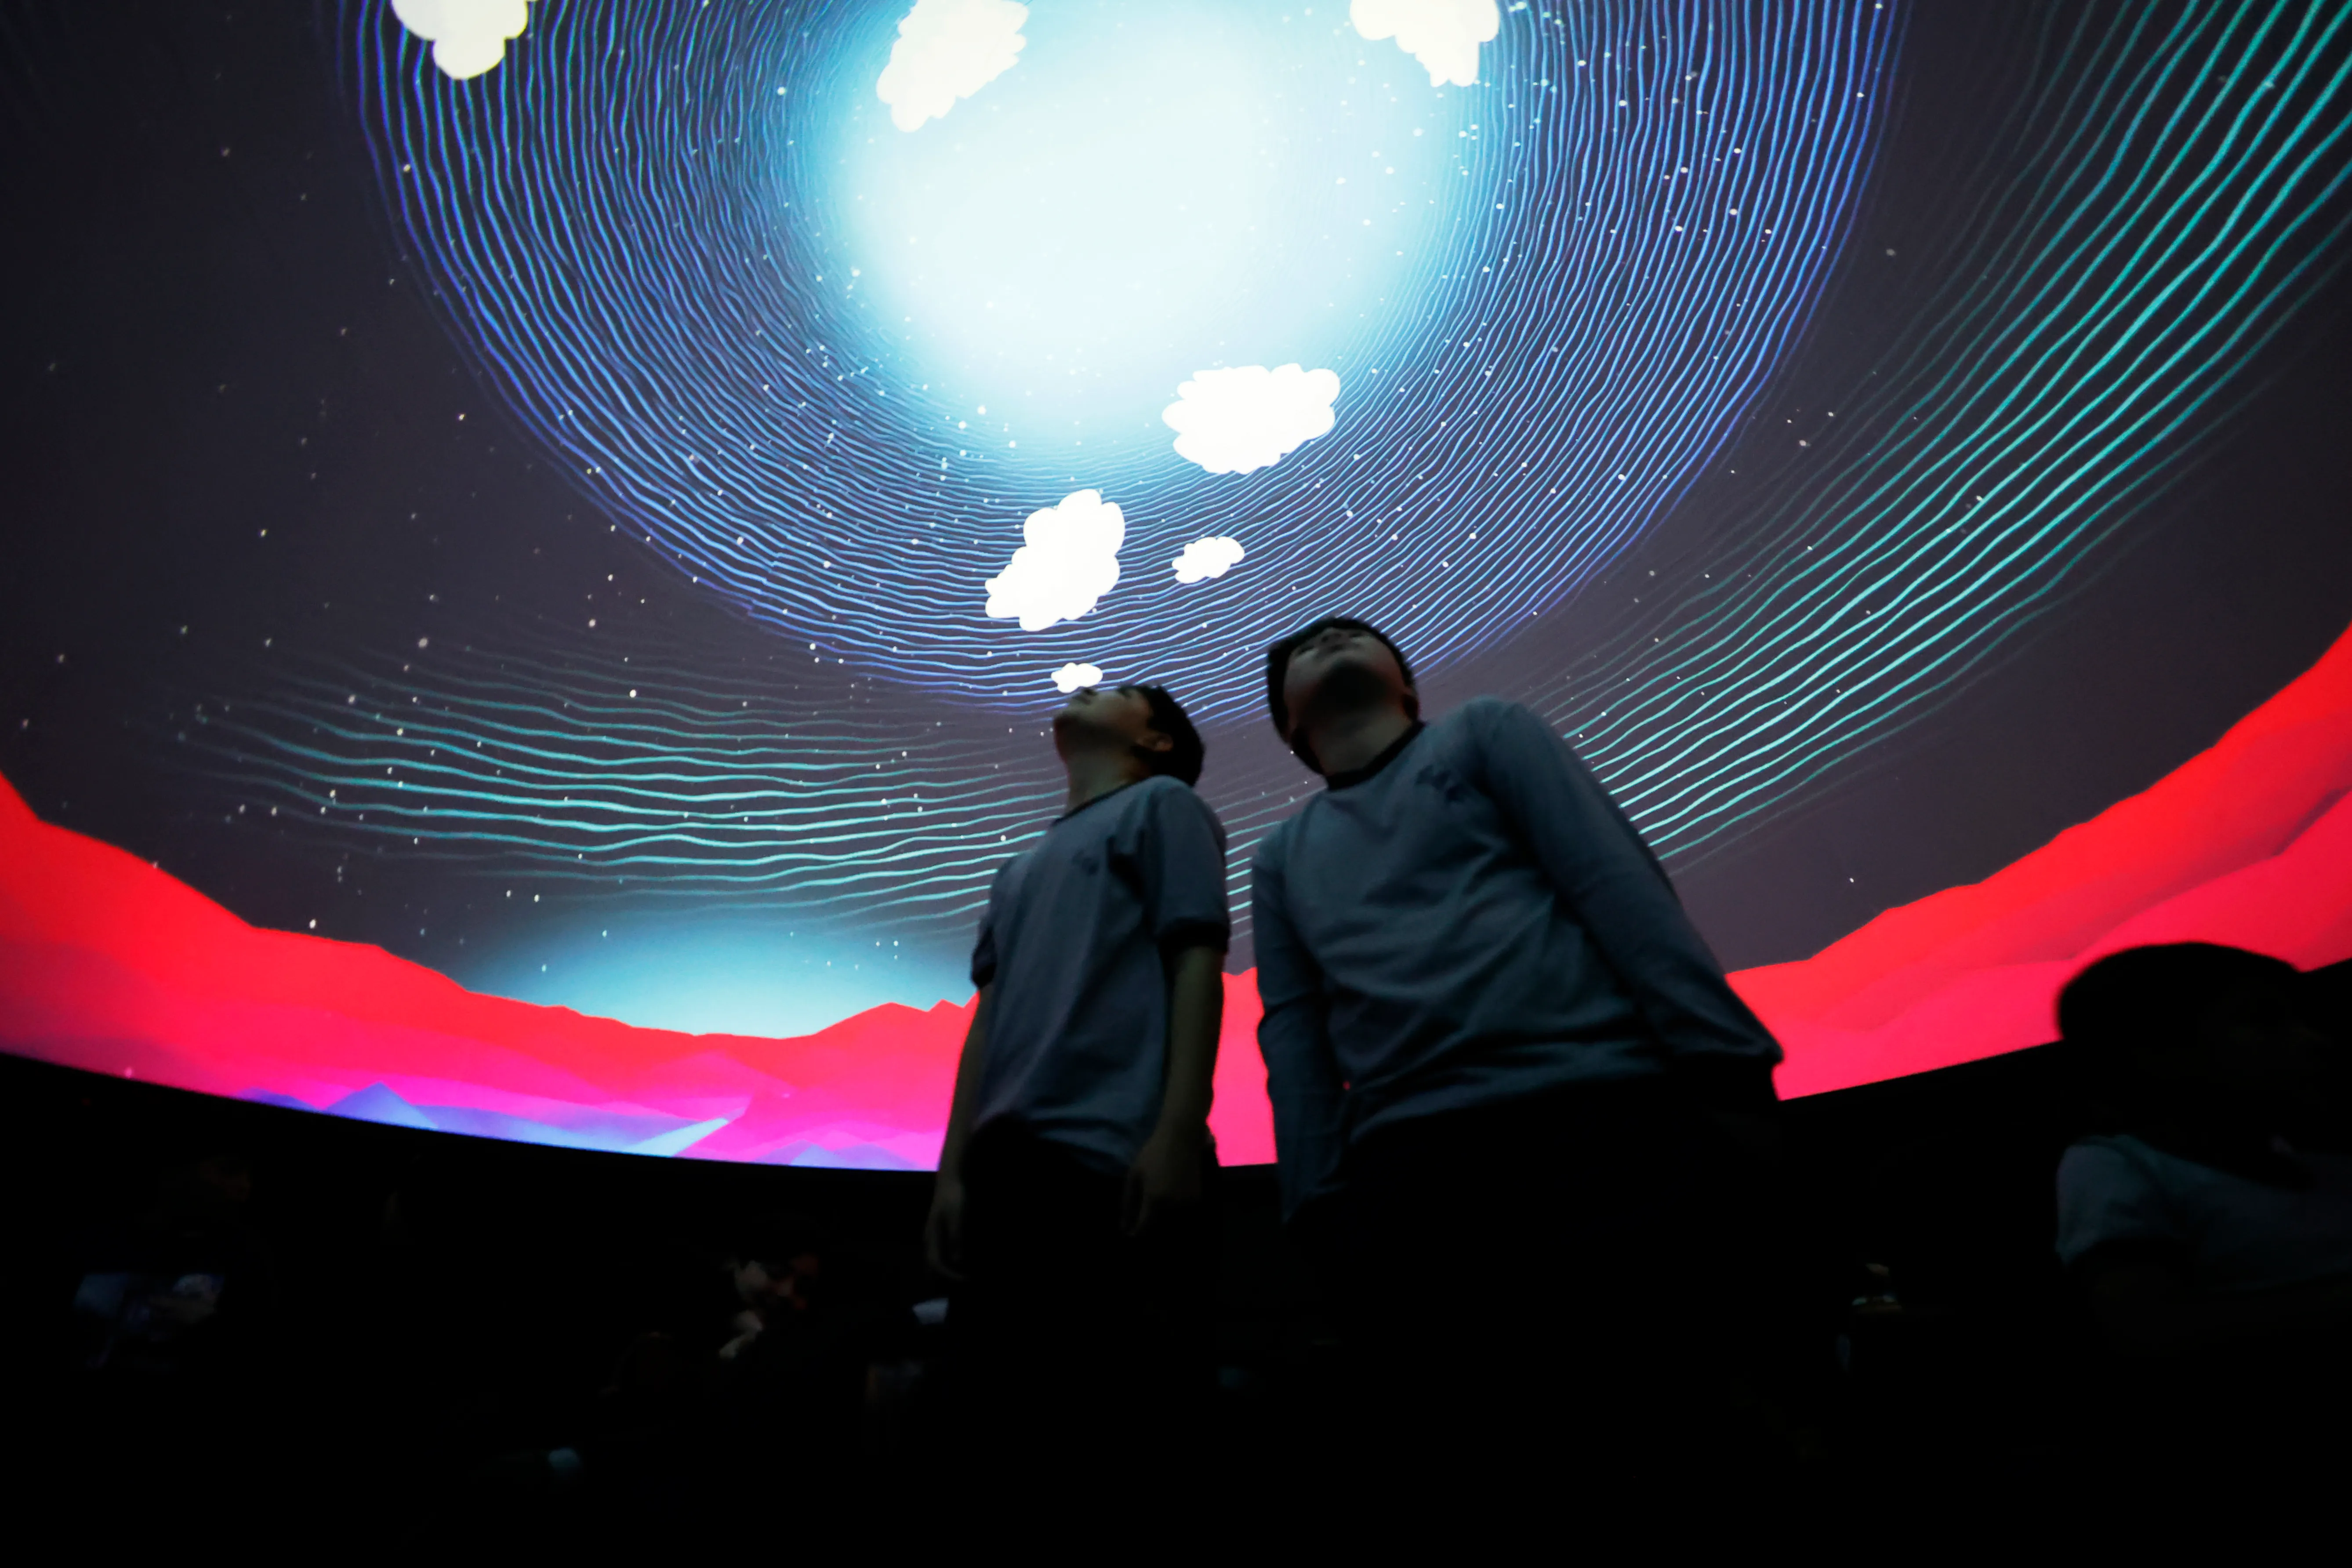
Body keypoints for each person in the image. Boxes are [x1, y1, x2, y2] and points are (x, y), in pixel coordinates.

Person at [1250, 616, 1786, 1483]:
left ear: (1410, 687)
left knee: (1675, 1417)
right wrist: (1313, 1198)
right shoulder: (1281, 857)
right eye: (1303, 650)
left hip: (1599, 1124)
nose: (1326, 638)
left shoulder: (1484, 732)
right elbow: (1295, 1029)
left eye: (1352, 633)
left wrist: (1724, 1060)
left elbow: (1609, 879)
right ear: (1288, 728)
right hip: (1413, 1173)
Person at [925, 681, 1228, 1471]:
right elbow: (985, 1024)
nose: (1090, 686)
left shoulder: (1164, 805)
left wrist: (1177, 1126)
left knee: (1112, 1416)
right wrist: (952, 1173)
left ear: (1157, 741)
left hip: (1111, 1160)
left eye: (1122, 691)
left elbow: (1196, 956)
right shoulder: (1017, 869)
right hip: (1007, 1175)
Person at [2052, 944, 2352, 1482]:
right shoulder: (2111, 1167)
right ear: (2158, 1052)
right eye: (2265, 1022)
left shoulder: (2327, 1165)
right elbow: (2152, 1332)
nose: (2316, 1041)